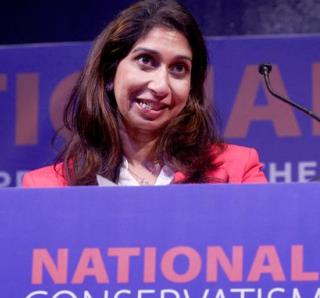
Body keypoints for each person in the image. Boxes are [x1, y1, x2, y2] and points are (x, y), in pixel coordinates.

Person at [22, 0, 267, 187]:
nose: (161, 86)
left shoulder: (236, 171)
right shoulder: (47, 188)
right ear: (109, 72)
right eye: (146, 61)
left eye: (179, 68)